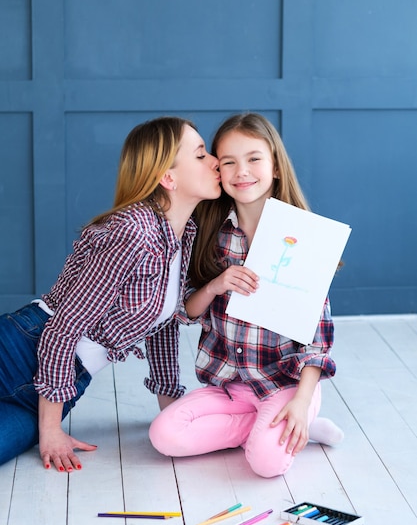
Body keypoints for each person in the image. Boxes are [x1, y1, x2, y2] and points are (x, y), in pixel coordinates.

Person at [0, 116, 221, 472]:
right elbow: (63, 330)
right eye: (200, 155)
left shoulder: (182, 234)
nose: (214, 162)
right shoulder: (132, 232)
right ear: (168, 177)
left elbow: (161, 326)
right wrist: (51, 428)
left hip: (62, 383)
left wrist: (171, 409)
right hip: (18, 351)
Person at [149, 112, 344, 478]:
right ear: (217, 172)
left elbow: (318, 339)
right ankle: (272, 428)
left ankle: (298, 418)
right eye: (229, 162)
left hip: (282, 382)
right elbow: (186, 312)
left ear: (275, 168)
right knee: (164, 435)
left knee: (266, 466)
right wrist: (215, 285)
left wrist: (301, 402)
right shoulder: (210, 234)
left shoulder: (306, 237)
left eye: (254, 159)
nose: (242, 171)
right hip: (230, 386)